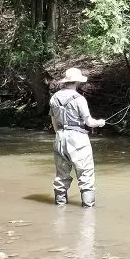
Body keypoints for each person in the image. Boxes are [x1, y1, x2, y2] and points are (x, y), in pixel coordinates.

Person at [49, 67, 105, 207]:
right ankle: (88, 211)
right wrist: (100, 123)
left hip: (60, 137)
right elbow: (89, 122)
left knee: (61, 175)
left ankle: (60, 208)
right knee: (85, 173)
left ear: (66, 81)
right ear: (78, 82)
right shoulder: (79, 99)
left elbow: (54, 121)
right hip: (78, 138)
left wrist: (60, 135)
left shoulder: (54, 98)